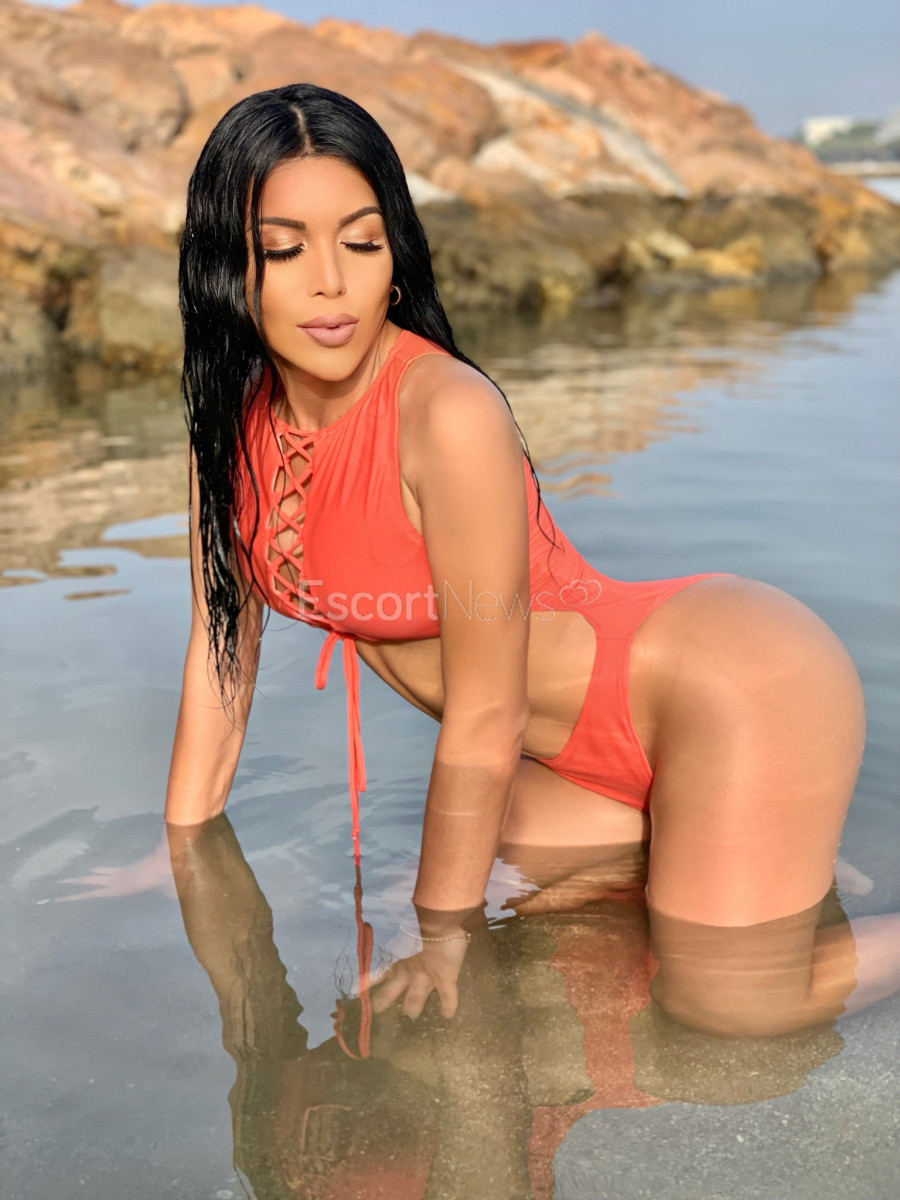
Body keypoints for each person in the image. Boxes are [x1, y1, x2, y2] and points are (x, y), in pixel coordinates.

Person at [166, 81, 894, 1039]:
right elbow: (221, 655)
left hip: (728, 685)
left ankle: (755, 853)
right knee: (492, 899)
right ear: (227, 265)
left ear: (396, 253)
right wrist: (182, 851)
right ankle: (750, 849)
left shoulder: (447, 412)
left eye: (362, 241)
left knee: (725, 1002)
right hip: (567, 769)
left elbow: (488, 712)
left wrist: (445, 937)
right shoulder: (226, 429)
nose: (331, 284)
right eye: (285, 250)